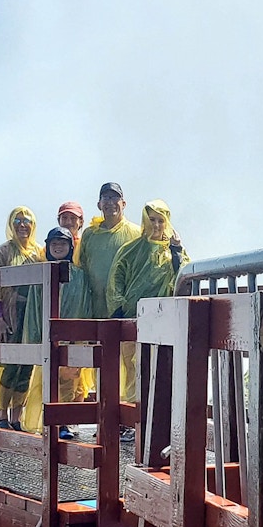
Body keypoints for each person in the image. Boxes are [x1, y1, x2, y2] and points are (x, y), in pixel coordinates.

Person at [106, 199, 189, 441]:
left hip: (163, 319)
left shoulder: (174, 252)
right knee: (133, 367)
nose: (156, 225)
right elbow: (115, 279)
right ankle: (133, 422)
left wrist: (176, 251)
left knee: (160, 367)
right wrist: (119, 308)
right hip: (134, 318)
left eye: (160, 220)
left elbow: (184, 276)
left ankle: (158, 422)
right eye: (151, 219)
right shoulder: (131, 249)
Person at [21, 227, 92, 438]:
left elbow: (85, 305)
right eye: (54, 243)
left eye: (63, 243)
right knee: (45, 380)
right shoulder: (42, 273)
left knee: (70, 380)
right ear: (48, 247)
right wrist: (34, 337)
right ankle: (46, 423)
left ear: (71, 247)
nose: (58, 246)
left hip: (72, 337)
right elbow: (33, 308)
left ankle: (63, 424)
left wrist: (82, 334)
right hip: (47, 337)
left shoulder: (80, 275)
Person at [0, 206, 43, 430]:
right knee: (8, 363)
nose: (22, 226)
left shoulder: (38, 252)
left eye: (27, 221)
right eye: (17, 222)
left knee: (26, 367)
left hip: (31, 317)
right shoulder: (2, 253)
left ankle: (17, 417)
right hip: (9, 318)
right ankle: (2, 416)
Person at [79, 183, 140, 318]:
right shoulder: (89, 234)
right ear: (99, 204)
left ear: (123, 204)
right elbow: (81, 268)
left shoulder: (137, 233)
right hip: (95, 310)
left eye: (115, 198)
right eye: (106, 198)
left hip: (125, 311)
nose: (110, 202)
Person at [57, 201, 84, 265]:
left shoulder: (84, 245)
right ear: (58, 221)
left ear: (81, 222)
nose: (68, 222)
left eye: (73, 218)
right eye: (64, 218)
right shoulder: (50, 247)